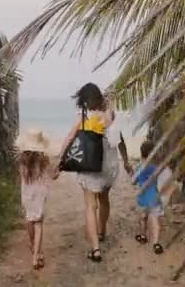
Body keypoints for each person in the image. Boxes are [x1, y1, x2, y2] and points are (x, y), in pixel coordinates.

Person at [56, 82, 120, 262]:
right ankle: (102, 231)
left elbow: (70, 137)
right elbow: (118, 137)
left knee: (90, 207)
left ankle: (96, 249)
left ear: (84, 99)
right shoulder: (109, 115)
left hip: (89, 165)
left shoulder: (83, 116)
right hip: (107, 165)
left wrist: (60, 161)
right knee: (105, 200)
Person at [17, 129, 58, 270]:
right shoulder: (44, 159)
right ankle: (36, 255)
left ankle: (34, 247)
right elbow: (53, 175)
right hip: (40, 194)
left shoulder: (22, 159)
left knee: (30, 220)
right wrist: (59, 169)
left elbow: (22, 177)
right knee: (39, 224)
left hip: (27, 193)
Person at [132, 140, 164, 255]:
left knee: (143, 217)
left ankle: (142, 235)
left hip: (142, 198)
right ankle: (156, 243)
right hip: (154, 197)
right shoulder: (156, 167)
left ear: (141, 153)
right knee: (155, 219)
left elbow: (134, 181)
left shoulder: (138, 167)